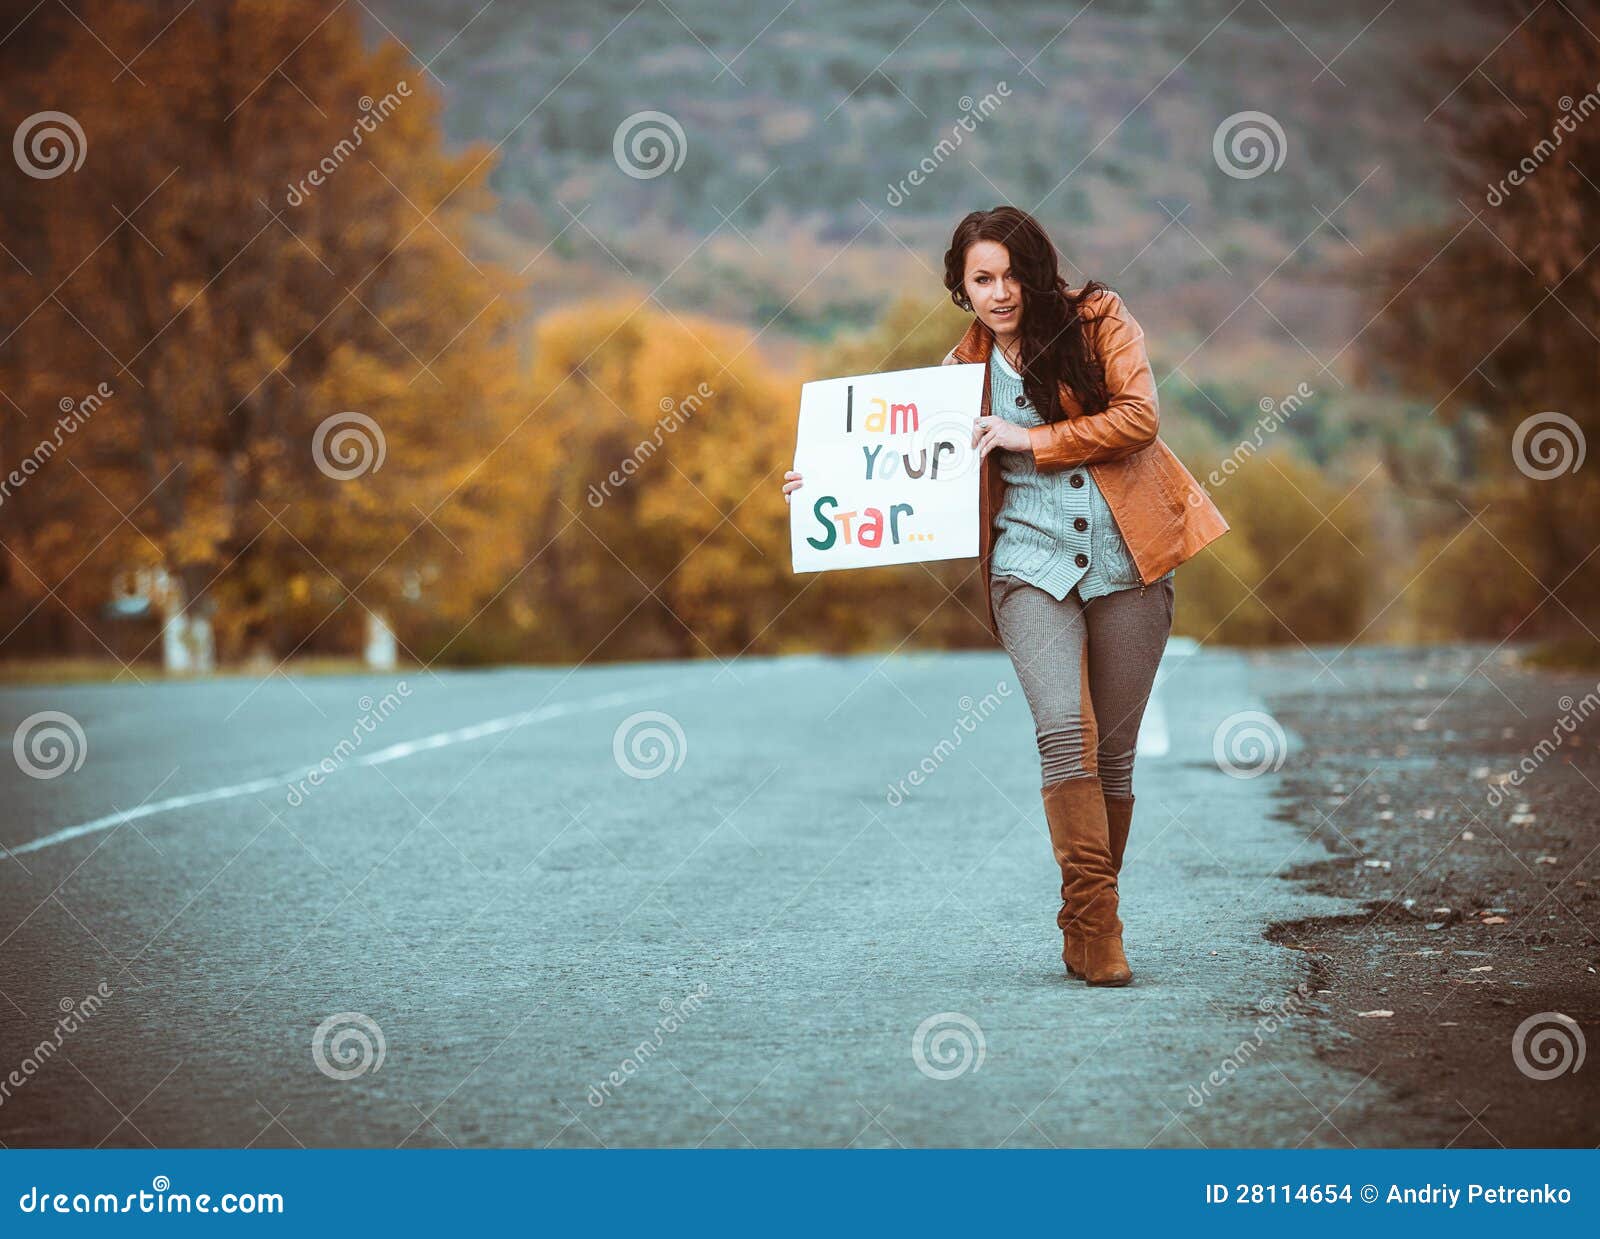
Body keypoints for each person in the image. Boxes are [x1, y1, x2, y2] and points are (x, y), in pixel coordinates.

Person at [784, 205, 1228, 986]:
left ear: (1037, 269)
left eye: (1012, 274)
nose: (1001, 292)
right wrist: (823, 480)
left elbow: (1139, 417)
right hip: (1029, 565)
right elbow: (904, 468)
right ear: (960, 286)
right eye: (982, 278)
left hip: (1131, 557)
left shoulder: (1101, 319)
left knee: (1114, 761)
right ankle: (1100, 928)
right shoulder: (954, 381)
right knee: (1065, 730)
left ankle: (1083, 917)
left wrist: (1032, 438)